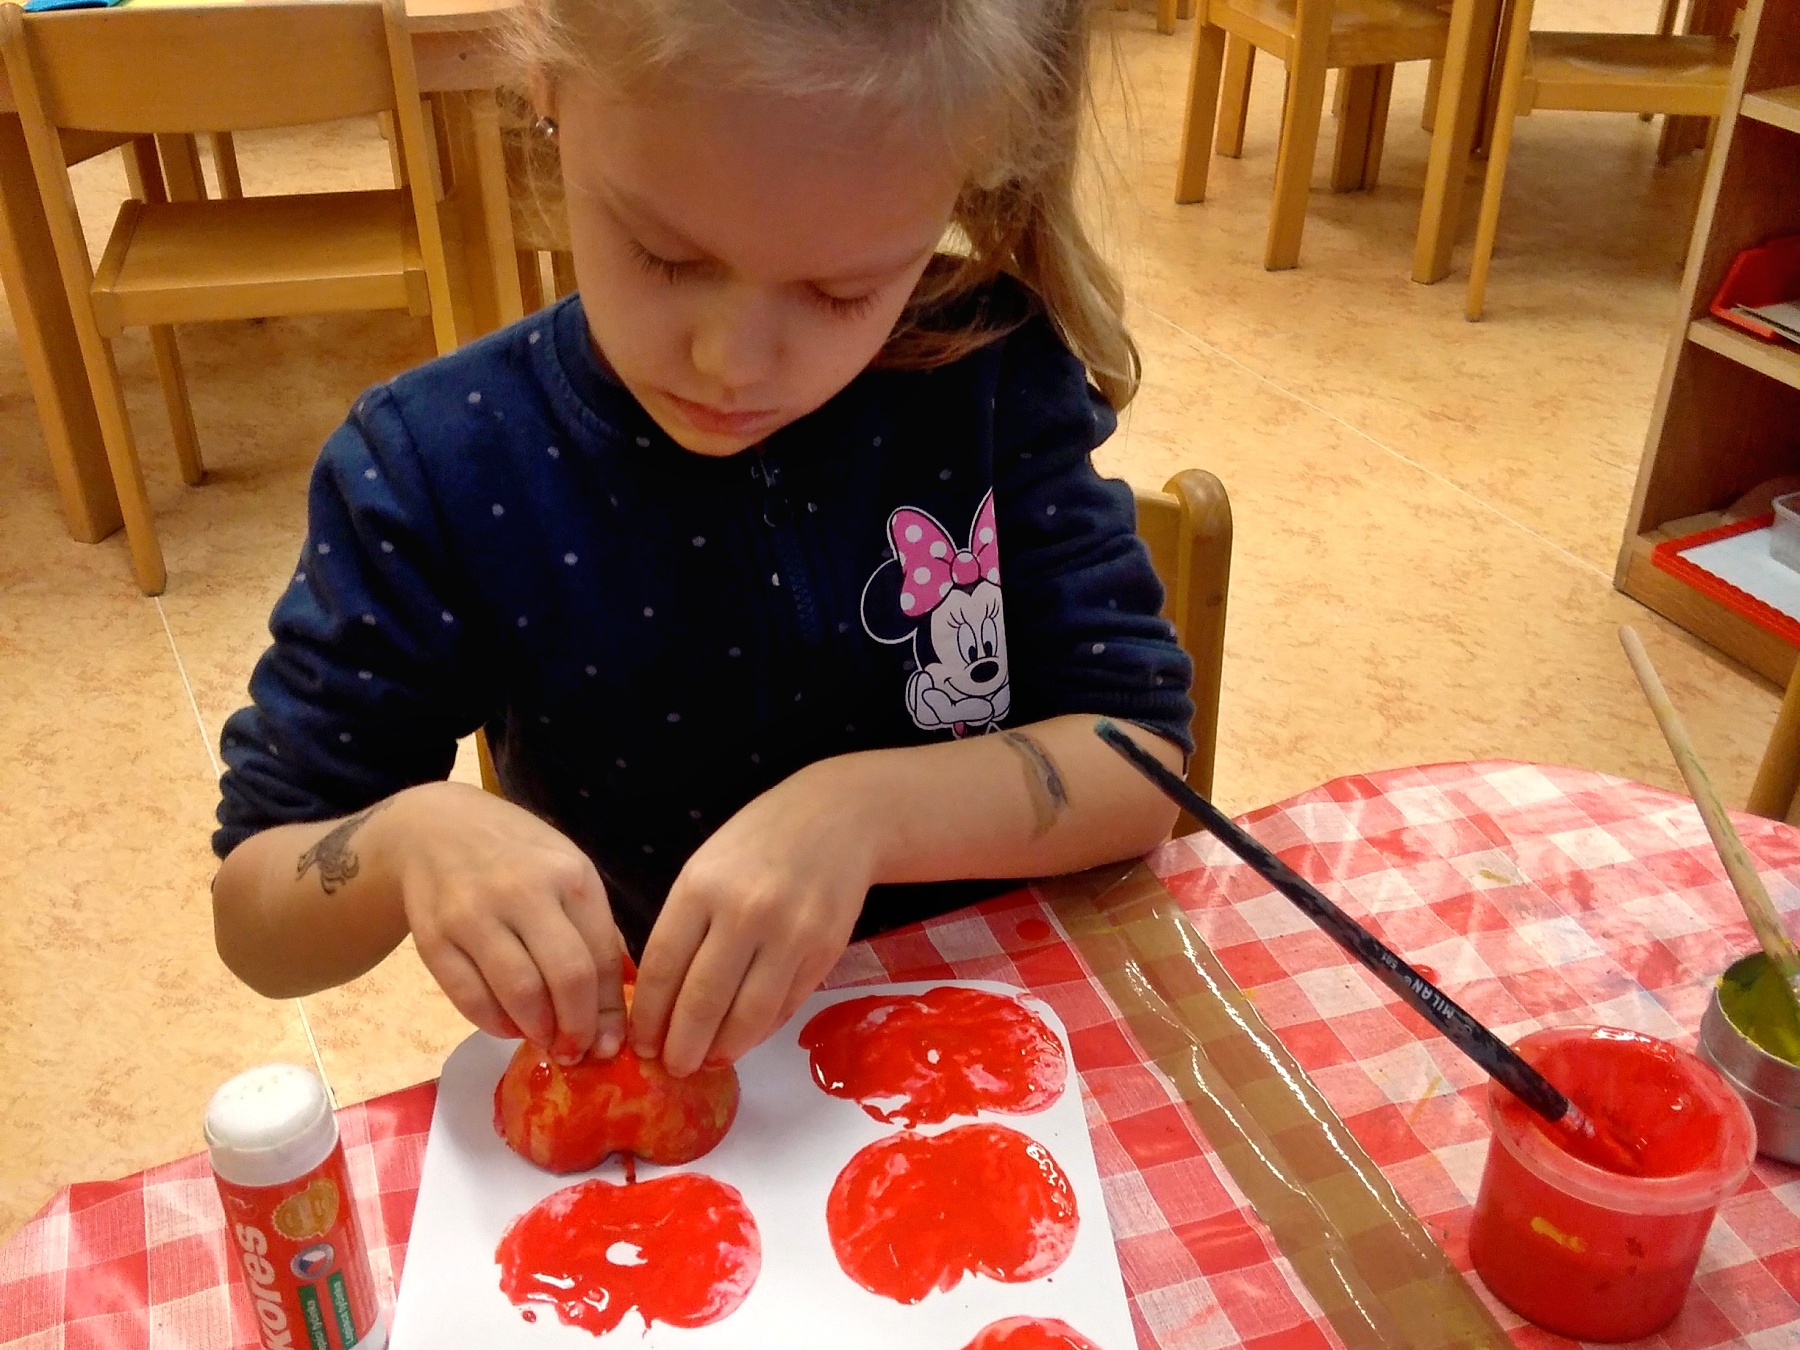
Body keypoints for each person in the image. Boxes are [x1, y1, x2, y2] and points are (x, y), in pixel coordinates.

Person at [210, 0, 1195, 1082]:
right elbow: (256, 921)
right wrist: (405, 843)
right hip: (688, 1090)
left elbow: (1140, 761)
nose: (733, 362)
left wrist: (860, 816)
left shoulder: (989, 372)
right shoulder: (435, 466)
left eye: (841, 292)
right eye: (667, 256)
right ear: (548, 87)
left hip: (995, 1049)